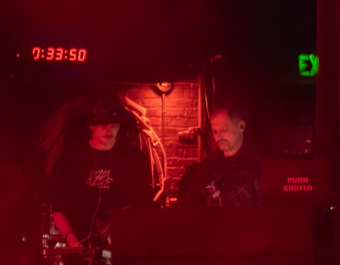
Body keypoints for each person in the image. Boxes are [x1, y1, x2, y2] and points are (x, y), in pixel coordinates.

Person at [43, 100, 159, 252]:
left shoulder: (134, 159)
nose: (109, 129)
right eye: (103, 124)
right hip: (80, 247)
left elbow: (144, 206)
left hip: (122, 248)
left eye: (114, 125)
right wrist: (72, 241)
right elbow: (58, 208)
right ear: (92, 127)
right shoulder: (72, 159)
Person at [174, 101, 261, 207]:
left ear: (241, 126)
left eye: (224, 130)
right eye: (215, 131)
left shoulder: (255, 167)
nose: (219, 136)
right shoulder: (206, 167)